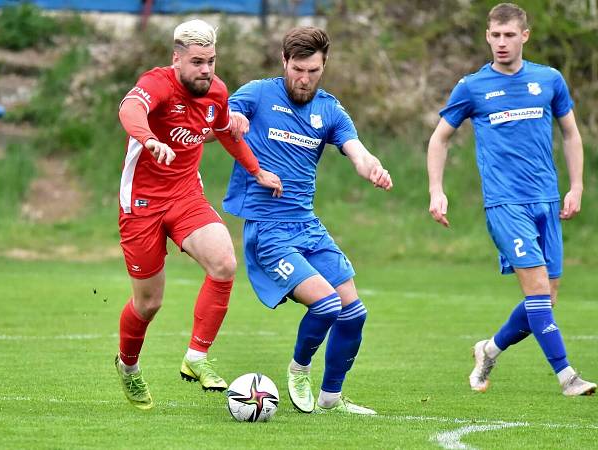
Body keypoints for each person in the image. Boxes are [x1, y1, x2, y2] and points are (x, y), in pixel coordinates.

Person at [427, 3, 595, 397]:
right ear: (487, 36)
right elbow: (439, 138)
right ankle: (567, 376)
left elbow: (571, 134)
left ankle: (489, 349)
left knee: (546, 301)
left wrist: (577, 186)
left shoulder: (549, 79)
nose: (501, 43)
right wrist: (437, 190)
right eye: (495, 35)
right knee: (537, 294)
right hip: (505, 205)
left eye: (509, 35)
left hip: (546, 201)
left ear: (524, 36)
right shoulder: (472, 87)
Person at [114, 19, 282, 410]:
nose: (206, 70)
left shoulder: (217, 91)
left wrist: (256, 171)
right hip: (140, 204)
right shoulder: (157, 83)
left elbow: (225, 131)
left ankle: (196, 358)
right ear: (177, 59)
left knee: (224, 263)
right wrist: (150, 140)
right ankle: (128, 366)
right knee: (149, 303)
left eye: (211, 61)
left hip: (186, 195)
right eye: (197, 62)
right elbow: (130, 109)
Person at [223, 26, 392, 414]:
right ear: (285, 62)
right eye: (298, 69)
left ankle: (331, 399)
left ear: (324, 65)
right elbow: (221, 119)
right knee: (327, 305)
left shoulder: (329, 109)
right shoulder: (259, 93)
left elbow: (357, 151)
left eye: (313, 71)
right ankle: (299, 369)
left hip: (307, 227)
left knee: (354, 313)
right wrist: (232, 121)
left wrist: (372, 167)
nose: (304, 79)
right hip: (268, 230)